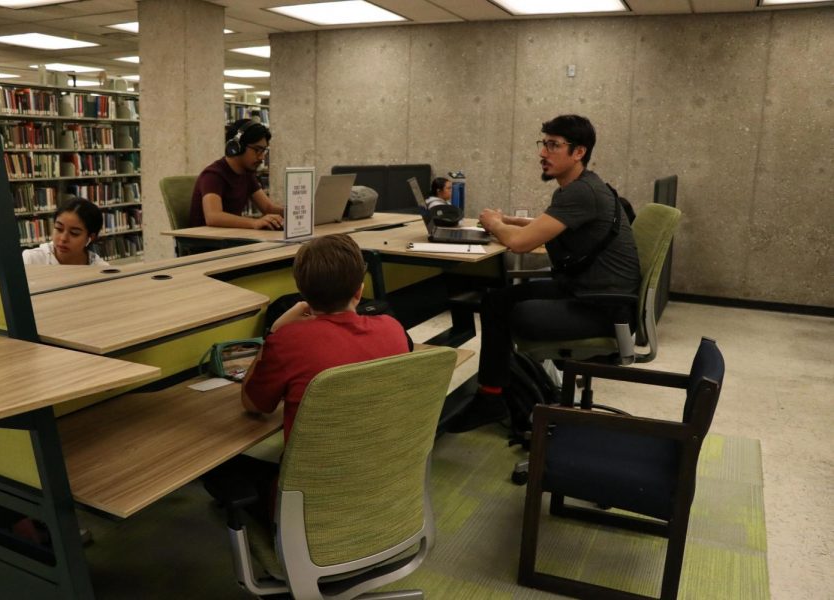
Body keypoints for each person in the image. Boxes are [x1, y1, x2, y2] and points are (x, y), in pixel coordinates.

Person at [447, 114, 641, 432]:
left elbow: (520, 245)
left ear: (579, 152)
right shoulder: (585, 187)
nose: (542, 153)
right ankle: (494, 395)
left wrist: (493, 222)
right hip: (592, 294)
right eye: (543, 144)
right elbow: (544, 226)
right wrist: (508, 220)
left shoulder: (580, 193)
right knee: (496, 300)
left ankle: (496, 395)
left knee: (511, 310)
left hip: (602, 308)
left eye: (553, 145)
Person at [202, 234, 410, 515]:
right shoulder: (392, 328)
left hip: (311, 507)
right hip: (385, 488)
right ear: (359, 292)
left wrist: (274, 331)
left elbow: (254, 405)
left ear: (303, 294)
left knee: (223, 468)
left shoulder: (288, 341)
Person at [189, 119, 284, 229]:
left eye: (264, 151)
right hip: (205, 243)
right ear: (236, 146)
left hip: (230, 238)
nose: (262, 157)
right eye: (257, 150)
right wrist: (254, 222)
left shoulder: (246, 174)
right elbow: (213, 217)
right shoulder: (213, 175)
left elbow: (268, 208)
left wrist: (297, 212)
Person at [22, 197, 109, 266]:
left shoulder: (99, 268)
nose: (63, 238)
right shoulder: (31, 259)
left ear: (90, 237)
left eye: (74, 233)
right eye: (59, 228)